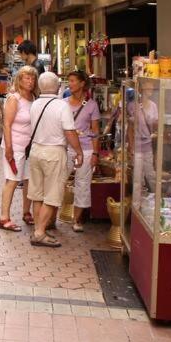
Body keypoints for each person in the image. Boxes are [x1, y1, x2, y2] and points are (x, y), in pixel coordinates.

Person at [27, 72, 84, 248]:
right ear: (58, 87)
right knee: (52, 196)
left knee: (37, 194)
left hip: (36, 151)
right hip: (54, 152)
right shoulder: (61, 105)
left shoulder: (35, 104)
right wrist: (79, 151)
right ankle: (39, 233)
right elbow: (69, 131)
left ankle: (39, 228)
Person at [0, 66, 39, 231]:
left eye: (33, 78)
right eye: (27, 78)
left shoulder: (34, 97)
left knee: (28, 180)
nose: (30, 81)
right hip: (15, 146)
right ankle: (4, 217)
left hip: (29, 147)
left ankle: (26, 212)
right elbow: (6, 124)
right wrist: (9, 148)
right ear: (19, 80)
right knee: (12, 181)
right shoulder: (14, 98)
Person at [66, 71, 101, 232]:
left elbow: (95, 131)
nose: (70, 84)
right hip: (66, 147)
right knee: (58, 180)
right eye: (69, 81)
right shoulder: (63, 103)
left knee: (82, 184)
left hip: (86, 148)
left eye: (73, 81)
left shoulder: (92, 105)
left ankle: (77, 219)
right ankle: (51, 216)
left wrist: (95, 153)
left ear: (82, 84)